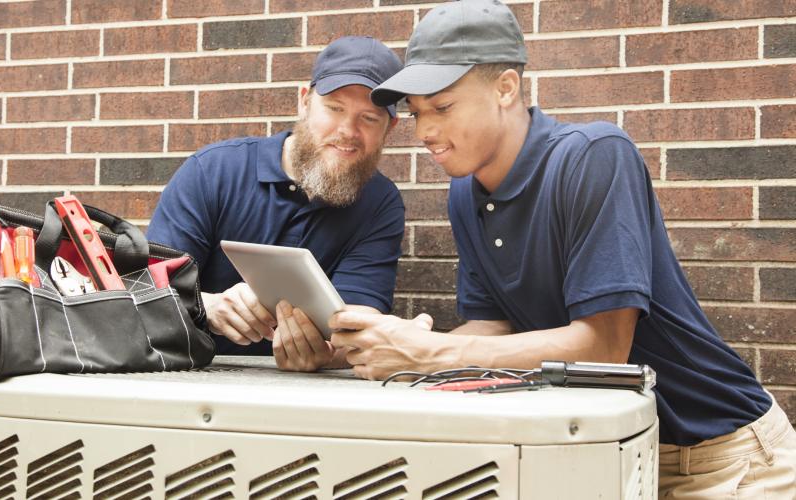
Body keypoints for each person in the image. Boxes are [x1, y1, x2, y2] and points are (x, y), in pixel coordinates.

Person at [329, 1, 796, 497]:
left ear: (506, 88)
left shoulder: (594, 156)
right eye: (417, 113)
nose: (425, 132)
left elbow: (605, 348)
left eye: (442, 108)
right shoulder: (466, 192)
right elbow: (492, 327)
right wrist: (369, 349)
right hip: (614, 453)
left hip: (726, 459)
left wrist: (432, 353)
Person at [147, 36, 405, 373]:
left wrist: (329, 354)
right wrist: (204, 306)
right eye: (335, 108)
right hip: (187, 372)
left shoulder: (381, 203)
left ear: (390, 128)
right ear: (304, 101)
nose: (348, 131)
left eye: (369, 118)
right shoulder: (213, 171)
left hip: (305, 395)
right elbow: (145, 286)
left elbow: (360, 321)